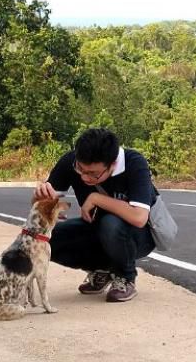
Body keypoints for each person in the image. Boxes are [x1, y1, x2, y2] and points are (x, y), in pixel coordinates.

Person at [33, 128, 159, 302]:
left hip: (138, 236)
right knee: (43, 240)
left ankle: (125, 277)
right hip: (97, 229)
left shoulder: (134, 163)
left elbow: (139, 217)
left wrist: (96, 198)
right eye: (81, 169)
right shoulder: (71, 162)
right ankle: (102, 269)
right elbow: (41, 206)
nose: (85, 177)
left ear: (112, 164)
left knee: (111, 224)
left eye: (93, 174)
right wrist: (39, 196)